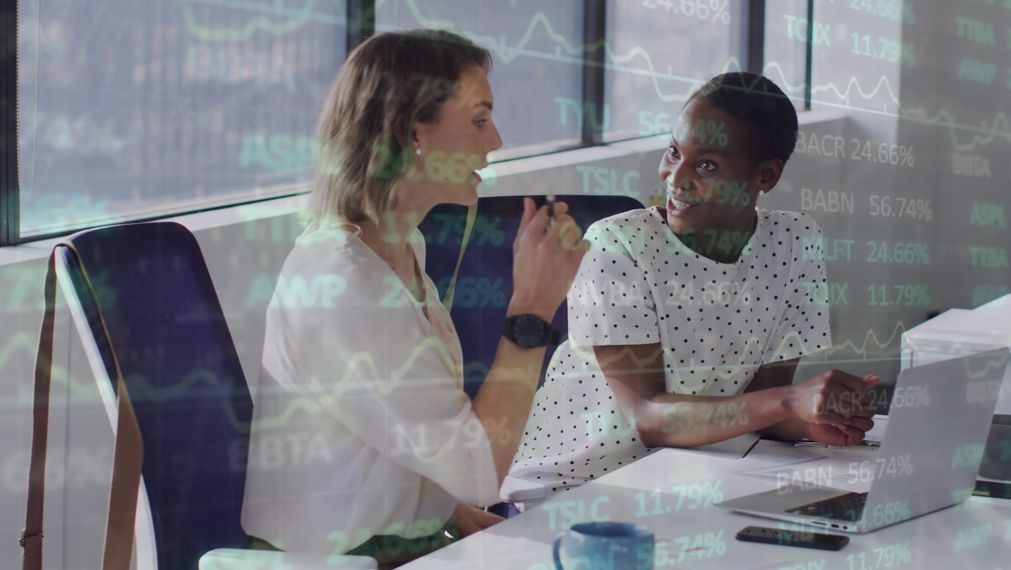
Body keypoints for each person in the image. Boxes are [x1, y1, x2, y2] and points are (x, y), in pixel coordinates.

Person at [240, 29, 589, 565]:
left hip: (396, 546)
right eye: (478, 120)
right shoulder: (342, 280)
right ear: (411, 132)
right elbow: (481, 471)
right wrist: (533, 310)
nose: (495, 140)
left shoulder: (401, 249)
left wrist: (435, 509)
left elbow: (390, 427)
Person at [504, 72, 878, 498]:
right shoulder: (617, 245)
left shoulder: (795, 242)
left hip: (699, 474)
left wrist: (819, 418)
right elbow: (646, 417)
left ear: (766, 176)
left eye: (706, 165)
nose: (675, 179)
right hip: (577, 489)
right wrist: (791, 400)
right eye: (673, 152)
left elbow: (759, 408)